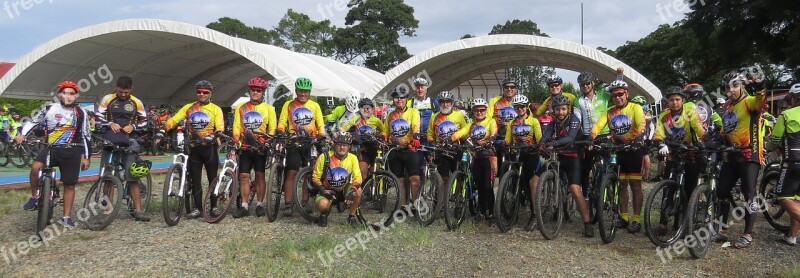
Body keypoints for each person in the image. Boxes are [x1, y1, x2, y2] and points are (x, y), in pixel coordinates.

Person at [18, 81, 91, 228]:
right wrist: (22, 134)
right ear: (59, 94)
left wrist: (87, 157)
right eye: (64, 93)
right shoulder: (49, 108)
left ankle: (66, 217)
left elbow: (86, 135)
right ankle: (35, 196)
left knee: (69, 185)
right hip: (51, 148)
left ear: (76, 96)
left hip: (72, 150)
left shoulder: (81, 113)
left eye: (71, 93)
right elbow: (33, 121)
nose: (68, 96)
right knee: (35, 169)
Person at [715, 71, 767, 248]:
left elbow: (760, 100)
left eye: (735, 86)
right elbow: (725, 131)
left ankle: (748, 233)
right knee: (721, 191)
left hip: (749, 155)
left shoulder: (749, 102)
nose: (731, 90)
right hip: (732, 154)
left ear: (743, 87)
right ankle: (722, 230)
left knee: (749, 193)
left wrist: (760, 85)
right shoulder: (728, 107)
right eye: (727, 87)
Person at [590, 79, 646, 233]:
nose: (618, 97)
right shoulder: (609, 111)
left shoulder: (635, 107)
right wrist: (591, 137)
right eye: (614, 95)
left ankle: (636, 219)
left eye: (620, 94)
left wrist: (640, 137)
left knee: (635, 185)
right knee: (621, 185)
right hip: (619, 150)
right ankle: (624, 217)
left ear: (626, 93)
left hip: (634, 150)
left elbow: (641, 124)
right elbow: (598, 126)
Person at [164, 80, 225, 219]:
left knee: (212, 179)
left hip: (209, 148)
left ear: (210, 94)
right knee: (196, 180)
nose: (201, 94)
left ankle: (214, 207)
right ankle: (198, 209)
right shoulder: (188, 108)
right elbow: (174, 120)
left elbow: (220, 127)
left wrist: (214, 135)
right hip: (194, 148)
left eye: (205, 92)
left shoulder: (216, 109)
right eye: (199, 92)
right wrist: (163, 130)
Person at [535, 94, 593, 237]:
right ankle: (540, 213)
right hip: (560, 156)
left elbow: (570, 137)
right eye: (557, 109)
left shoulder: (574, 120)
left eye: (563, 109)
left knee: (574, 188)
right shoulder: (552, 123)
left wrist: (552, 144)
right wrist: (542, 144)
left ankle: (587, 223)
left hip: (574, 157)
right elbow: (546, 135)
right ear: (553, 110)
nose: (560, 112)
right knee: (536, 178)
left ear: (568, 109)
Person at [652, 85, 706, 234]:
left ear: (683, 100)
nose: (674, 103)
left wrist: (702, 144)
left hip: (690, 155)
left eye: (677, 99)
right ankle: (663, 223)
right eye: (671, 100)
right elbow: (658, 134)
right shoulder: (664, 116)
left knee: (689, 190)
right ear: (667, 102)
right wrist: (661, 143)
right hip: (672, 155)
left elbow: (701, 131)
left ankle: (685, 222)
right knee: (667, 190)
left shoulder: (690, 113)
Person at [96, 76, 150, 221]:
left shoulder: (136, 102)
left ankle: (138, 211)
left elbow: (145, 121)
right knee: (108, 176)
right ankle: (107, 212)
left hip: (130, 140)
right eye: (121, 92)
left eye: (126, 92)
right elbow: (97, 117)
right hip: (110, 140)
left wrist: (133, 126)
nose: (123, 95)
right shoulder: (108, 99)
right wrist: (109, 124)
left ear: (131, 90)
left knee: (132, 176)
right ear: (116, 88)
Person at [276, 77, 327, 216]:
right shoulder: (289, 104)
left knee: (308, 173)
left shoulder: (315, 106)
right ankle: (288, 204)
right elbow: (282, 122)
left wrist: (321, 135)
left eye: (306, 91)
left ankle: (304, 202)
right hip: (294, 141)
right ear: (296, 91)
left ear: (309, 92)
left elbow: (320, 124)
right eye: (300, 91)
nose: (303, 94)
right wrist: (280, 131)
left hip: (310, 142)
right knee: (291, 172)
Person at [231, 77, 277, 218]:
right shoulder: (241, 107)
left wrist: (268, 141)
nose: (255, 92)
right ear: (249, 91)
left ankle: (259, 204)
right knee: (243, 176)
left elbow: (273, 127)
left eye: (258, 90)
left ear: (262, 92)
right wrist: (236, 140)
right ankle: (244, 206)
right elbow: (237, 126)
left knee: (259, 175)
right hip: (245, 147)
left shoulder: (269, 109)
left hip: (260, 148)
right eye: (253, 90)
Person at [766, 83, 800, 245]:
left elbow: (775, 139)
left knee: (784, 197)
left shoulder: (786, 115)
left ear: (794, 98)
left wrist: (769, 148)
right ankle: (791, 236)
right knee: (798, 200)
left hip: (793, 162)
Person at [453, 98, 497, 222]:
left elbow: (494, 133)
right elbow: (461, 132)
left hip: (489, 157)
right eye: (476, 111)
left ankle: (492, 213)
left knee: (488, 186)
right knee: (480, 186)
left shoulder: (491, 121)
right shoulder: (471, 124)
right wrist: (451, 138)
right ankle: (482, 212)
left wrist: (491, 140)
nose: (479, 113)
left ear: (485, 110)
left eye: (482, 110)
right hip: (476, 157)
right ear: (473, 112)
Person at [503, 94, 542, 228]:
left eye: (522, 107)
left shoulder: (533, 121)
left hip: (531, 154)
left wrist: (536, 145)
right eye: (517, 107)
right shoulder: (511, 123)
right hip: (518, 155)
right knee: (516, 181)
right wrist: (505, 143)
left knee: (532, 184)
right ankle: (512, 210)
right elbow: (509, 139)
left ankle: (535, 215)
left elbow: (539, 138)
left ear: (526, 107)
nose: (520, 109)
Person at [311, 131, 363, 227]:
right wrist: (323, 190)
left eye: (345, 145)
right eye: (339, 144)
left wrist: (353, 191)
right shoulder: (324, 157)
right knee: (323, 205)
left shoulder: (353, 158)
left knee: (358, 191)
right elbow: (315, 177)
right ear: (334, 145)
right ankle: (324, 212)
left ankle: (351, 216)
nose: (342, 147)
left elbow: (358, 178)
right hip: (327, 189)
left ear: (349, 147)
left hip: (343, 189)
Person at [383, 86, 422, 213]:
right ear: (393, 100)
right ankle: (404, 206)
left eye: (402, 97)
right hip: (394, 150)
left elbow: (416, 125)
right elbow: (385, 131)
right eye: (396, 98)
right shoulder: (390, 115)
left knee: (414, 179)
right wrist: (383, 138)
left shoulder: (413, 111)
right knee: (399, 180)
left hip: (409, 149)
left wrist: (416, 136)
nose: (399, 100)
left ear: (406, 99)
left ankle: (415, 205)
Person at [573, 71, 613, 192]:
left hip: (604, 134)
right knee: (586, 166)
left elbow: (616, 85)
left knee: (608, 165)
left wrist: (619, 74)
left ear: (592, 83)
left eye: (587, 83)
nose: (585, 86)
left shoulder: (603, 93)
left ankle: (606, 191)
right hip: (587, 136)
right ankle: (585, 193)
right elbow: (577, 118)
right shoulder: (577, 100)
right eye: (582, 84)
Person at [426, 91, 470, 196]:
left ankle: (459, 198)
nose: (445, 105)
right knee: (444, 178)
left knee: (460, 175)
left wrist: (460, 139)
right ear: (439, 103)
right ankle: (442, 200)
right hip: (441, 150)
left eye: (448, 102)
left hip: (456, 149)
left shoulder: (459, 116)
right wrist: (432, 142)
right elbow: (430, 133)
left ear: (452, 103)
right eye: (442, 102)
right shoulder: (435, 117)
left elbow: (465, 131)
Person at [339, 98, 385, 181]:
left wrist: (380, 136)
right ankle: (365, 193)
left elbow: (384, 131)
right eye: (364, 108)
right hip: (363, 149)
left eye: (369, 108)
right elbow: (343, 128)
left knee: (374, 171)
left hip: (375, 149)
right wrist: (344, 134)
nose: (366, 110)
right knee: (362, 171)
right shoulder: (356, 119)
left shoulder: (376, 120)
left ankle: (375, 190)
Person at [489, 78, 519, 178]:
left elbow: (528, 118)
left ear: (516, 89)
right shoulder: (494, 101)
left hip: (515, 138)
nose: (509, 89)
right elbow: (488, 118)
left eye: (512, 87)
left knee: (516, 167)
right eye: (506, 87)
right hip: (498, 137)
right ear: (503, 89)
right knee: (496, 170)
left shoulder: (520, 101)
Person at [630, 95, 654, 181]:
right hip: (645, 137)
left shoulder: (637, 112)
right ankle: (646, 176)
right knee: (645, 156)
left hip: (639, 137)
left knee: (640, 156)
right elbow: (652, 126)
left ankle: (639, 175)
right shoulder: (648, 111)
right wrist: (649, 138)